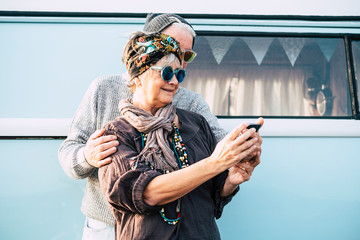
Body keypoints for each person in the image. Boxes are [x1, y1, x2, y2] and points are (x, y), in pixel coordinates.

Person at [58, 13, 263, 239]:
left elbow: (219, 153)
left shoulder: (193, 109)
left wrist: (241, 150)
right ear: (146, 47)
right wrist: (87, 156)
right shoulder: (105, 94)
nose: (178, 64)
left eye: (186, 56)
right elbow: (69, 152)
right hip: (108, 225)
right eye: (170, 50)